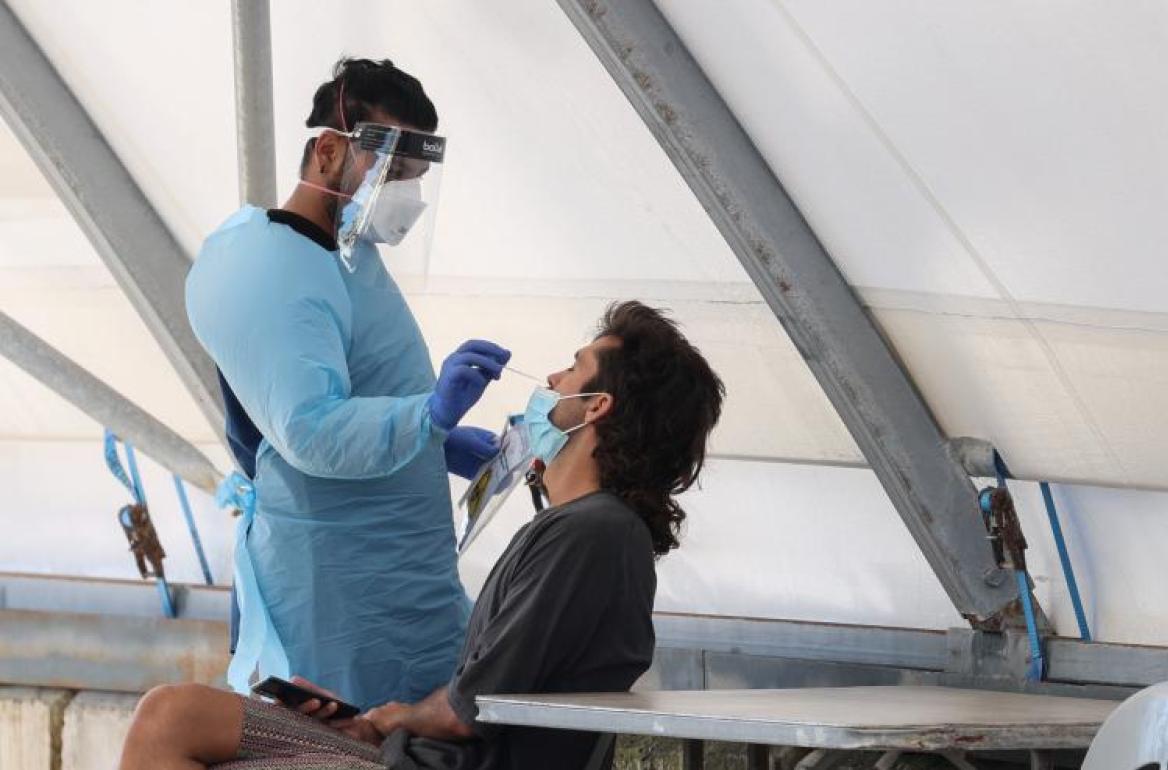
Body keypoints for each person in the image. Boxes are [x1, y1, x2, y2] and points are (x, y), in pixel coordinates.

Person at [121, 301, 726, 770]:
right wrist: (368, 720)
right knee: (173, 714)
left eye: (572, 369)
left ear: (597, 407)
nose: (551, 377)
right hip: (413, 753)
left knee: (169, 732)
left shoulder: (594, 532)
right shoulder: (578, 527)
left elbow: (470, 710)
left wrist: (384, 720)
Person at [185, 57, 510, 710]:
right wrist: (425, 417)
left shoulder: (346, 257)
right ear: (330, 151)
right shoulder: (270, 265)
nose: (406, 196)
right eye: (394, 173)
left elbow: (358, 387)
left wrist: (431, 442)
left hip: (387, 573)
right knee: (338, 740)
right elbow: (307, 428)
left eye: (415, 179)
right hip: (334, 592)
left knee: (408, 732)